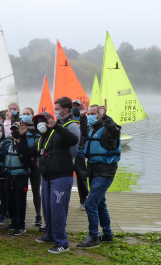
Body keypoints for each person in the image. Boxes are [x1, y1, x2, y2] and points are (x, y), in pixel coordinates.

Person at [19, 112, 79, 253]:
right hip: (46, 177)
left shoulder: (59, 134)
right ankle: (50, 235)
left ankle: (62, 243)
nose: (40, 123)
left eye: (43, 120)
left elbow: (73, 140)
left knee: (58, 209)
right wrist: (22, 137)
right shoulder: (40, 140)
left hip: (61, 177)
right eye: (38, 121)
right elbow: (26, 154)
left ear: (50, 121)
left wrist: (56, 127)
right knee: (48, 208)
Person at [77, 102, 121, 248]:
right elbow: (84, 132)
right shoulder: (92, 129)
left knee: (90, 204)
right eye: (88, 113)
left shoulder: (108, 130)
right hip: (94, 170)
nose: (90, 116)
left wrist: (105, 116)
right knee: (100, 202)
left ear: (100, 114)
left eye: (92, 113)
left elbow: (115, 132)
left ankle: (93, 237)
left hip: (105, 171)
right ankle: (107, 234)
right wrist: (82, 117)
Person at [21, 107, 42, 226]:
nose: (25, 116)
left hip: (36, 163)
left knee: (35, 190)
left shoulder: (39, 130)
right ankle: (21, 216)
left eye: (28, 114)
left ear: (32, 116)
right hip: (24, 163)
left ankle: (38, 215)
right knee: (22, 189)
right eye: (23, 114)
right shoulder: (21, 128)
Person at [72, 100, 89, 210]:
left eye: (78, 106)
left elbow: (87, 134)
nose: (75, 108)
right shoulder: (68, 119)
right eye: (73, 106)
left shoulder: (85, 120)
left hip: (80, 152)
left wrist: (83, 117)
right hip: (68, 153)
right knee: (65, 176)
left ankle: (83, 200)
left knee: (82, 177)